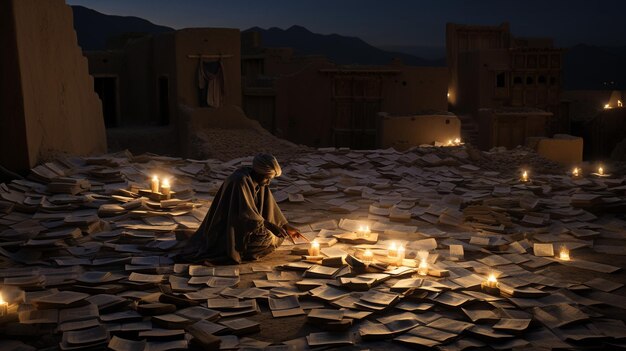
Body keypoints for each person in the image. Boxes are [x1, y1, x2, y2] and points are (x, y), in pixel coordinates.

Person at [178, 153, 304, 264]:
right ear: (258, 172)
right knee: (269, 238)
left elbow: (270, 207)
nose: (268, 182)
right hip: (227, 230)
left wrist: (286, 226)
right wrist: (271, 227)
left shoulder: (259, 180)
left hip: (246, 227)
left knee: (280, 235)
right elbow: (245, 216)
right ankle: (239, 251)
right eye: (267, 178)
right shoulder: (240, 181)